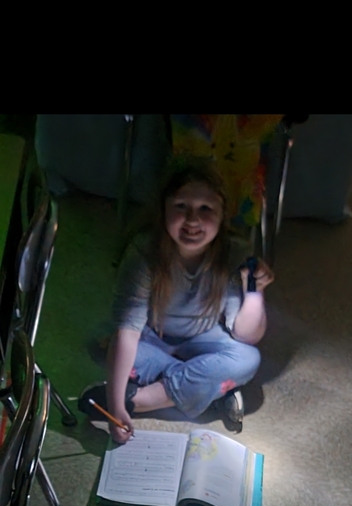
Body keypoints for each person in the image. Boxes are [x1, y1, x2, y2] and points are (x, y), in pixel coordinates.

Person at [79, 160, 274, 440]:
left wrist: (255, 291)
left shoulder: (234, 252)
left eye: (205, 209)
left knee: (248, 358)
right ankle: (212, 392)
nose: (193, 220)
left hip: (205, 338)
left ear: (222, 214)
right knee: (106, 343)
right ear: (163, 209)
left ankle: (145, 400)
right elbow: (128, 333)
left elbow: (245, 334)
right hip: (152, 336)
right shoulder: (144, 255)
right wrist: (118, 398)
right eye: (181, 207)